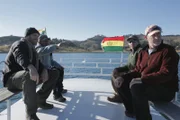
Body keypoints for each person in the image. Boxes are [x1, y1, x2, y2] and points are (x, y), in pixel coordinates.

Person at [114, 25, 179, 120]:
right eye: (153, 35)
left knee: (136, 86)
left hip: (165, 89)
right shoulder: (143, 52)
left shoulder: (168, 51)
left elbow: (166, 74)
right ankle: (132, 111)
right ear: (146, 37)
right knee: (121, 82)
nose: (157, 37)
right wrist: (123, 77)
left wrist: (142, 79)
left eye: (159, 34)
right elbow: (138, 70)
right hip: (148, 84)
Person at [2, 27, 60, 120]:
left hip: (27, 77)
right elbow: (20, 57)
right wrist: (30, 67)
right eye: (34, 35)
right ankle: (31, 114)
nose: (37, 38)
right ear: (27, 36)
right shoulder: (19, 44)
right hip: (12, 79)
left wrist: (44, 70)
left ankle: (40, 100)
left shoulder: (32, 48)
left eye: (38, 36)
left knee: (54, 73)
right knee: (28, 75)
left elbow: (39, 63)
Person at [107, 35, 142, 103]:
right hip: (131, 72)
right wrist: (117, 69)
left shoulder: (140, 52)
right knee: (114, 74)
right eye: (130, 41)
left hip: (136, 74)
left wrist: (125, 74)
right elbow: (128, 66)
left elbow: (138, 68)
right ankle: (120, 94)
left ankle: (121, 96)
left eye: (134, 41)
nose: (132, 43)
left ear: (138, 42)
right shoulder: (132, 52)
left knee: (118, 77)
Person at [35, 34, 67, 102]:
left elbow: (51, 61)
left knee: (60, 69)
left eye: (47, 41)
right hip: (40, 71)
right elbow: (42, 51)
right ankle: (56, 95)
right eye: (45, 41)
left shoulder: (46, 48)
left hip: (47, 69)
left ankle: (60, 88)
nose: (47, 42)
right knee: (55, 73)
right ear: (39, 41)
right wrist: (56, 46)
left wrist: (59, 66)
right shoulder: (37, 48)